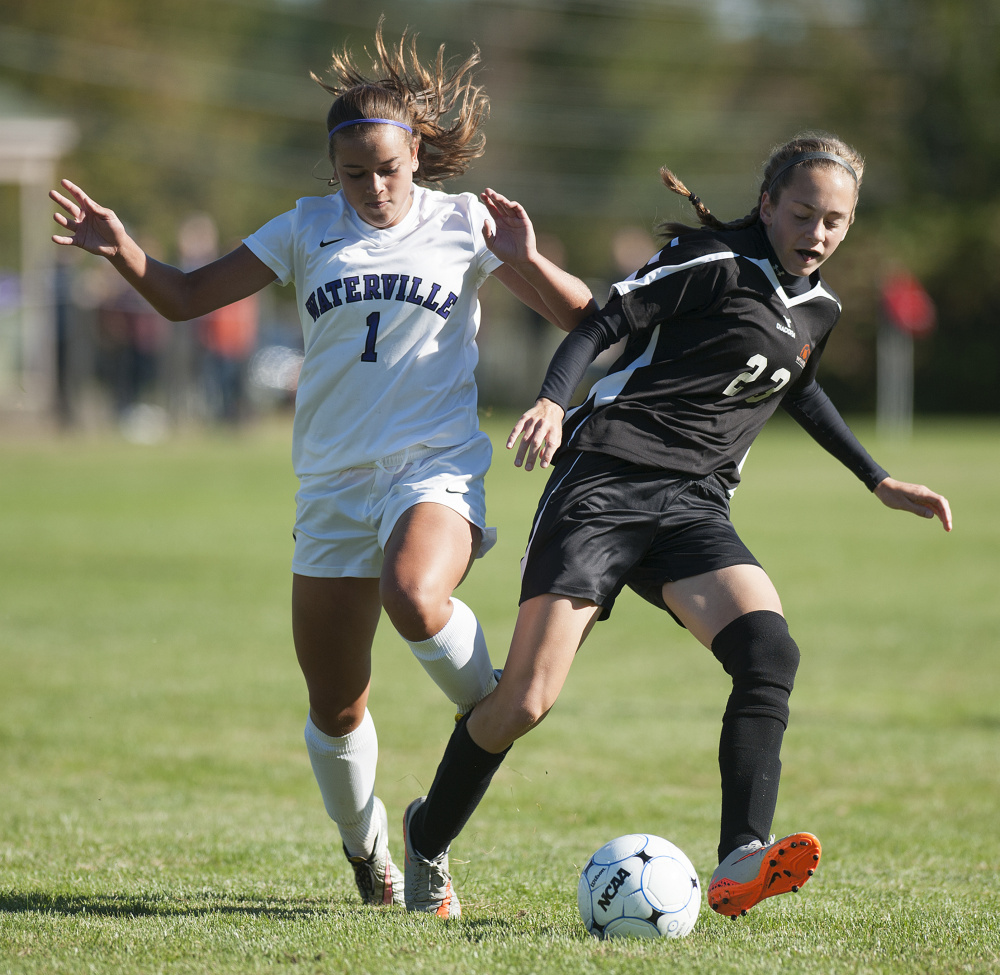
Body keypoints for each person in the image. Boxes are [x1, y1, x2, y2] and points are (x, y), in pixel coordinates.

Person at [50, 19, 594, 911]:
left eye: (387, 168)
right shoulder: (305, 229)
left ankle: (490, 714)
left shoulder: (465, 224)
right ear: (331, 171)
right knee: (337, 706)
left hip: (434, 467)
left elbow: (583, 318)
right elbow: (187, 298)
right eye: (354, 174)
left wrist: (528, 257)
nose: (374, 188)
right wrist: (126, 254)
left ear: (416, 153)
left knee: (415, 595)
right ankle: (369, 849)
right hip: (333, 486)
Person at [401, 133, 953, 920]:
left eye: (835, 221)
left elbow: (797, 387)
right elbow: (601, 324)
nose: (817, 233)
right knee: (522, 702)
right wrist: (556, 399)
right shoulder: (715, 262)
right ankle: (426, 835)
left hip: (694, 506)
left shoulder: (820, 305)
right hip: (604, 482)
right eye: (803, 213)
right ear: (768, 205)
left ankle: (740, 857)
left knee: (769, 649)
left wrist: (878, 477)